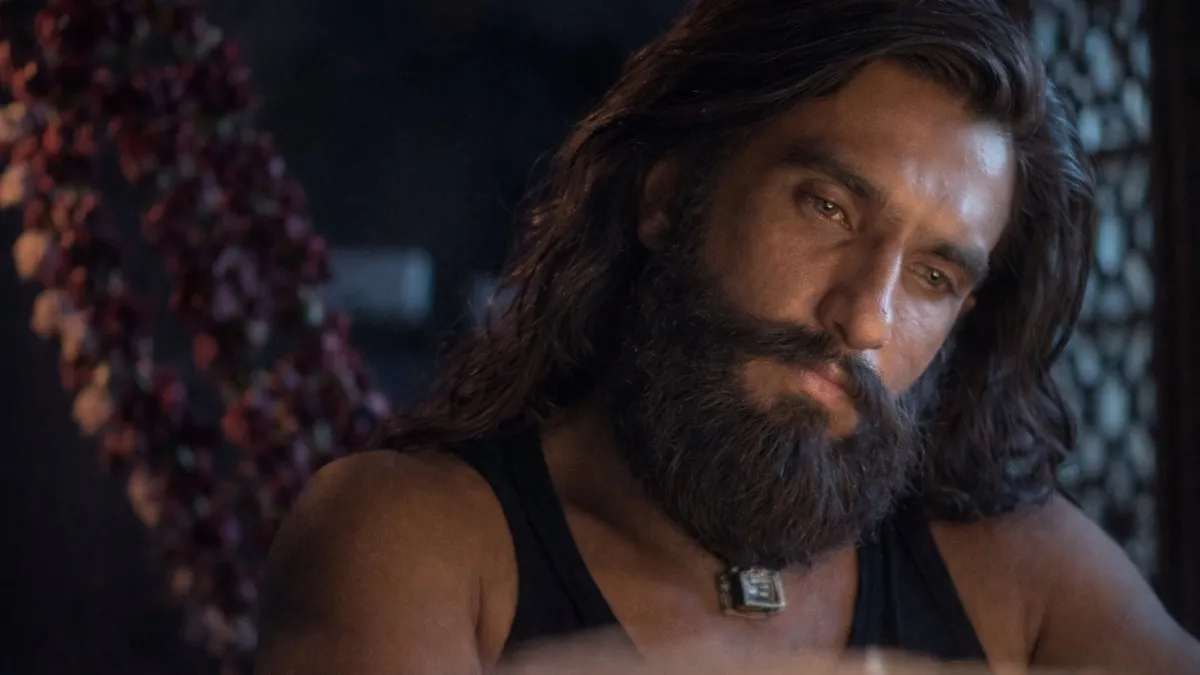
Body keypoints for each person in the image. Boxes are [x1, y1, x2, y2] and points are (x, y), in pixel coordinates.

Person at [254, 0, 1200, 673]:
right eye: (828, 207)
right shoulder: (416, 543)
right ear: (670, 193)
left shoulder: (1017, 575)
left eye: (933, 276)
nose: (865, 317)